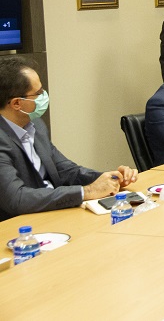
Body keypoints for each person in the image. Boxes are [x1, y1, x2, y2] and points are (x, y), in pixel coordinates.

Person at [0, 57, 137, 222]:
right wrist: (86, 192)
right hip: (20, 225)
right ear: (17, 103)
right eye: (39, 93)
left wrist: (109, 179)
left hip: (53, 214)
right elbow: (17, 198)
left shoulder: (36, 125)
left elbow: (66, 170)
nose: (44, 96)